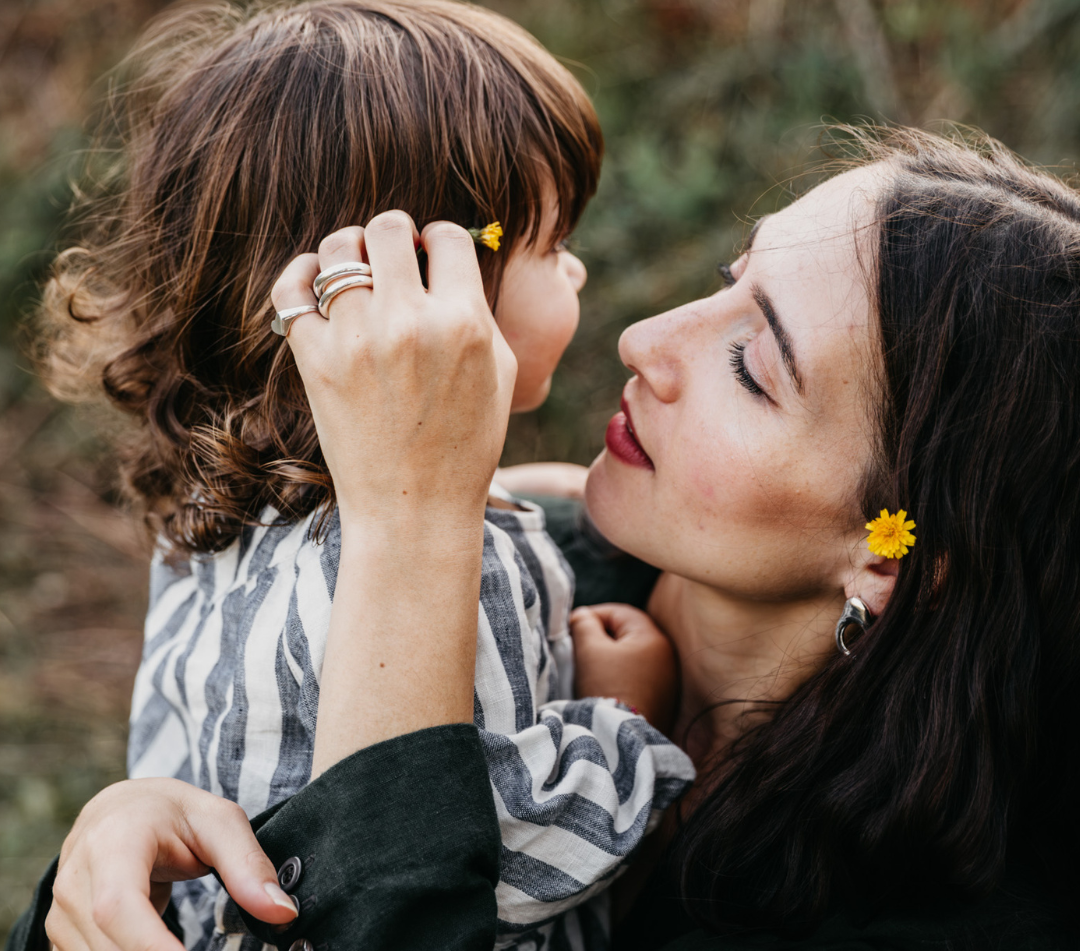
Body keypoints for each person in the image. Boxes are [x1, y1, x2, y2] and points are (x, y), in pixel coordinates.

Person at [16, 126, 1079, 951]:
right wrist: (133, 842)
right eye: (726, 282)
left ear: (889, 554)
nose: (644, 339)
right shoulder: (530, 554)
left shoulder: (933, 919)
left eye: (754, 367)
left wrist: (411, 525)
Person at [29, 0, 694, 951]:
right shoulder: (451, 564)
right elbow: (498, 857)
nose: (579, 274)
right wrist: (626, 718)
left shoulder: (214, 512)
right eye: (552, 245)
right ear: (421, 292)